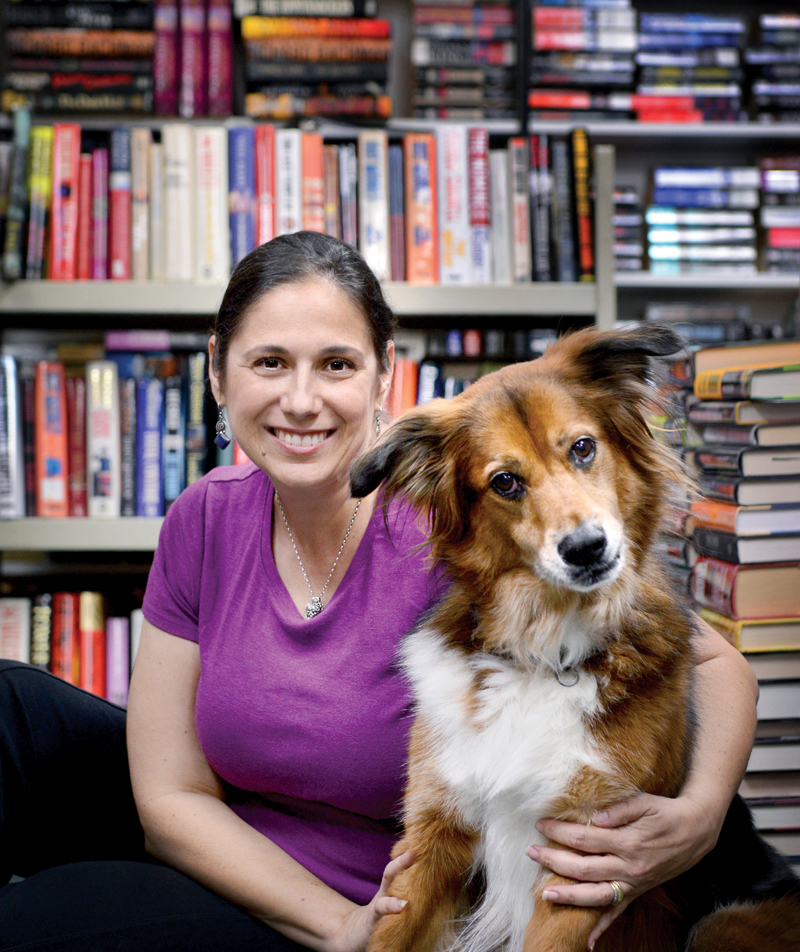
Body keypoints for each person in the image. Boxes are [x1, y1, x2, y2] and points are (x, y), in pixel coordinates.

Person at [0, 232, 758, 952]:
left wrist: (698, 818)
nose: (302, 401)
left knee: (37, 922)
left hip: (385, 903)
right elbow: (168, 800)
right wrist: (328, 923)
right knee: (11, 709)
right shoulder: (205, 515)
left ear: (382, 374)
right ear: (216, 372)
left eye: (336, 365)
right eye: (268, 363)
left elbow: (710, 665)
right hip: (241, 850)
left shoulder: (462, 526)